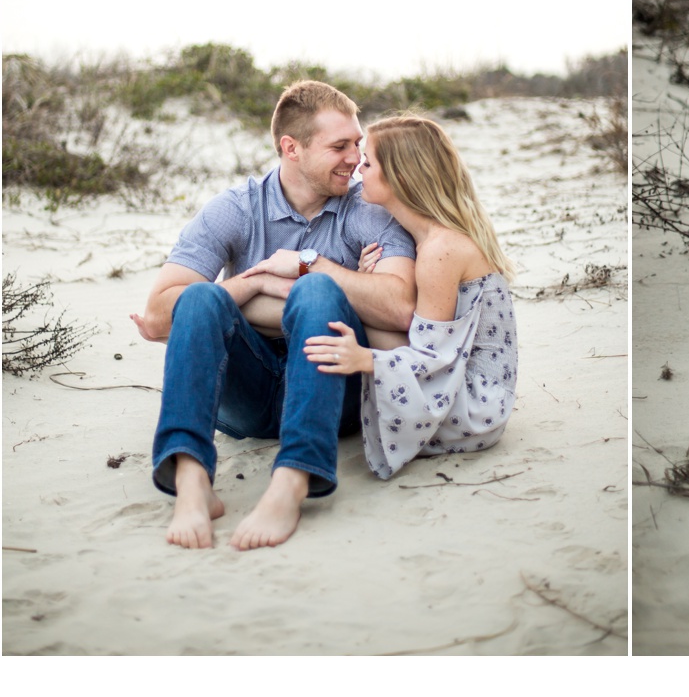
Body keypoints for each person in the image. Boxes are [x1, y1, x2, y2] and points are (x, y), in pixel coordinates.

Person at [133, 80, 418, 550]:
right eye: (339, 146)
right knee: (202, 299)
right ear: (292, 148)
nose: (354, 159)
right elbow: (160, 315)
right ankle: (190, 477)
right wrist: (255, 283)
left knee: (317, 289)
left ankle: (293, 478)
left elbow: (401, 307)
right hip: (247, 395)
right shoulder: (236, 210)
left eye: (357, 145)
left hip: (331, 393)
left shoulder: (365, 208)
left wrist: (307, 270)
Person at [300, 114, 518, 480]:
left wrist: (366, 359)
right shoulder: (428, 236)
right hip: (468, 384)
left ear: (399, 177)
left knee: (368, 310)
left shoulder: (440, 250)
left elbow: (433, 359)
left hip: (477, 409)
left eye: (368, 163)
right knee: (368, 300)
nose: (357, 171)